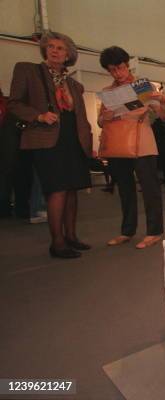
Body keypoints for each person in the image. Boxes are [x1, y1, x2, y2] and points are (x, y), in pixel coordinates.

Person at [8, 31, 93, 258]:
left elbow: (81, 117)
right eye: (51, 46)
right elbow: (14, 103)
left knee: (73, 188)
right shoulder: (28, 70)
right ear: (45, 50)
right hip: (47, 138)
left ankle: (71, 236)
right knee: (57, 190)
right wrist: (38, 116)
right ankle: (57, 243)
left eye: (60, 48)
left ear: (68, 55)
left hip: (73, 138)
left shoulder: (74, 84)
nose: (55, 50)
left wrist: (88, 143)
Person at [98, 46, 165, 249]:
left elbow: (164, 116)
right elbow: (101, 121)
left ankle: (154, 231)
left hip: (142, 142)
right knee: (125, 189)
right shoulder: (107, 92)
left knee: (149, 188)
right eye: (112, 70)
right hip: (118, 144)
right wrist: (105, 117)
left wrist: (162, 100)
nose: (117, 73)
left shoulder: (142, 87)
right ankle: (127, 231)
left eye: (119, 68)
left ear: (127, 65)